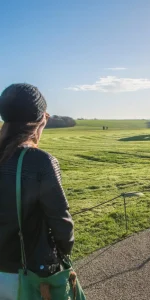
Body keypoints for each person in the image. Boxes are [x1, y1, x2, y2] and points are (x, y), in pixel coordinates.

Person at [0, 84, 74, 299]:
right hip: (25, 273)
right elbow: (61, 221)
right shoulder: (40, 161)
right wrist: (62, 253)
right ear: (41, 118)